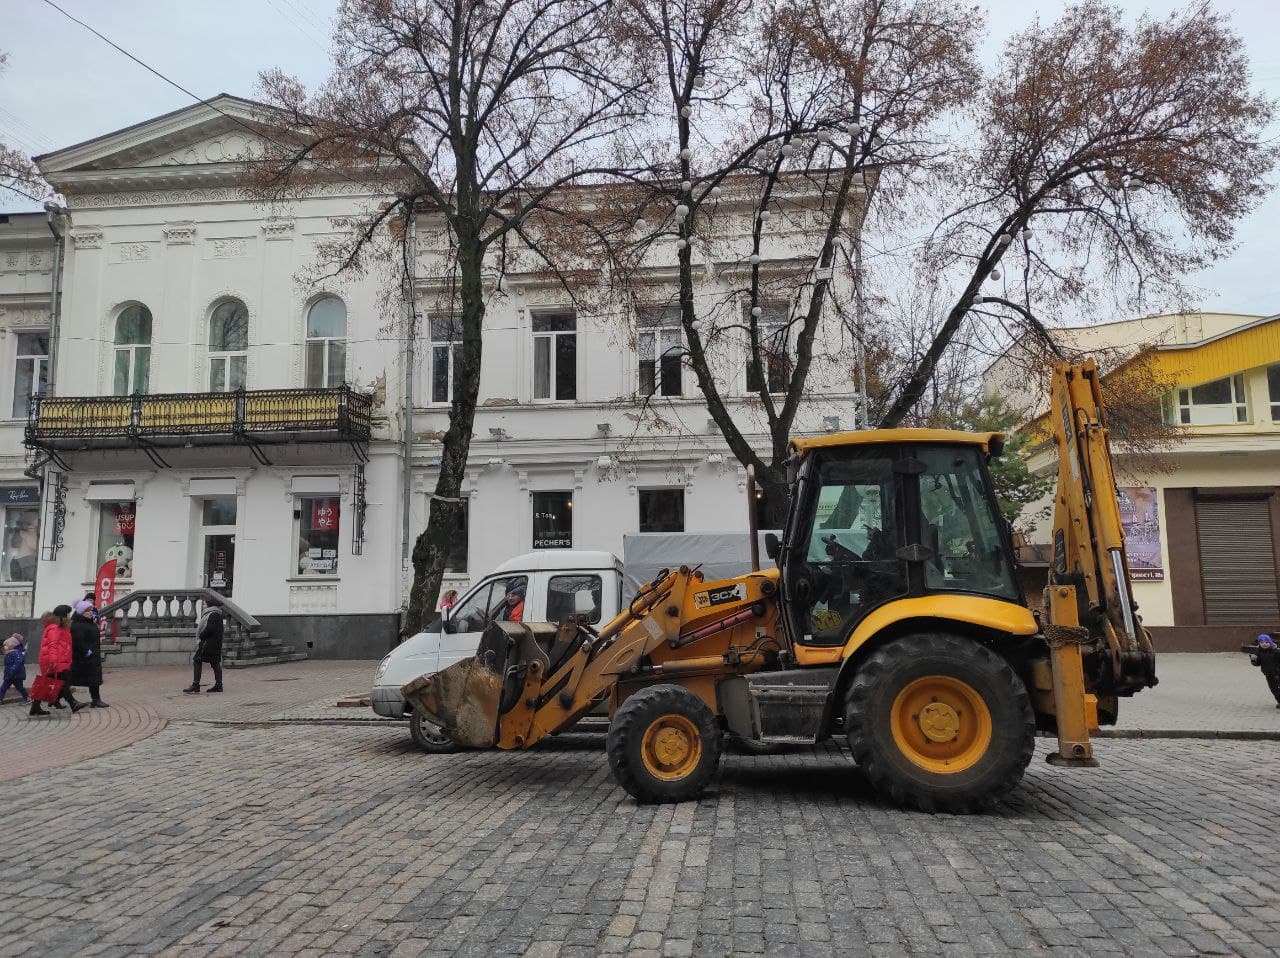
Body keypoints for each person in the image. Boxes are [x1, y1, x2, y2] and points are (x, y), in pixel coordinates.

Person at [30, 605, 83, 716]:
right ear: (63, 616)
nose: (69, 616)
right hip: (54, 661)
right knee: (62, 683)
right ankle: (73, 703)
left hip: (57, 660)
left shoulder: (59, 627)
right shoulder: (54, 628)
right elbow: (52, 645)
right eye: (68, 614)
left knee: (45, 684)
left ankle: (35, 707)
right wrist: (54, 661)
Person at [69, 599, 108, 708]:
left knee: (93, 679)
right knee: (72, 680)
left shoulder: (89, 622)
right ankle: (56, 698)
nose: (91, 612)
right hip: (84, 658)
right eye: (88, 610)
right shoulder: (77, 625)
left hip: (92, 657)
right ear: (81, 612)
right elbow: (77, 640)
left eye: (91, 610)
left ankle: (96, 700)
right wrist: (87, 652)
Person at [183, 598, 224, 694]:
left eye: (204, 604)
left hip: (208, 644)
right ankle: (219, 685)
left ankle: (195, 685)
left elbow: (210, 629)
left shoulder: (212, 614)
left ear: (210, 605)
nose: (203, 606)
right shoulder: (216, 614)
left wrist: (201, 636)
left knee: (197, 660)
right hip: (214, 643)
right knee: (215, 663)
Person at [1248, 633, 1280, 708]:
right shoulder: (1258, 652)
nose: (1264, 644)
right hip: (1269, 674)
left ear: (1270, 642)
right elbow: (1257, 663)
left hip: (1278, 672)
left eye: (1266, 642)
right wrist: (1254, 660)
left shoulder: (1276, 651)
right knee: (1274, 689)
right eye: (1262, 642)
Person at [1, 633, 27, 704]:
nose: (5, 647)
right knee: (4, 687)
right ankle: (0, 699)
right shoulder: (8, 653)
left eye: (6, 645)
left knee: (20, 688)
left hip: (16, 675)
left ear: (12, 645)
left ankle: (27, 698)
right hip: (9, 675)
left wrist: (12, 670)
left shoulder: (17, 653)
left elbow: (18, 663)